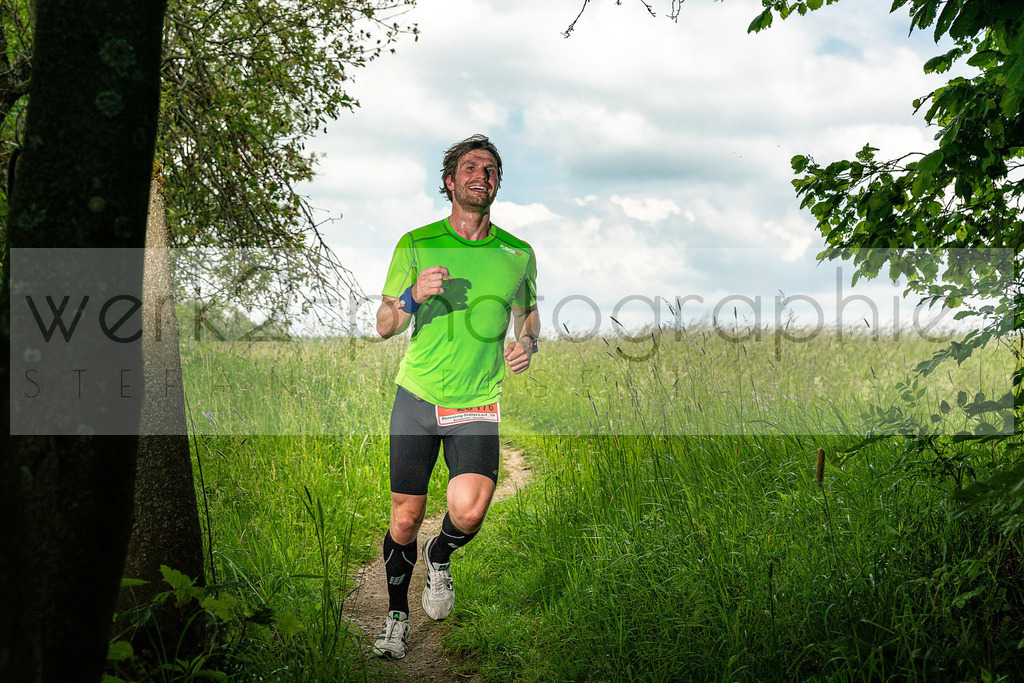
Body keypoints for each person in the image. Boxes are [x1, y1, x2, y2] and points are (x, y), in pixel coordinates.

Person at [371, 134, 540, 659]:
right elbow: (383, 325)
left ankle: (438, 554)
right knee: (403, 517)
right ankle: (396, 617)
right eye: (470, 167)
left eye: (490, 169)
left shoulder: (518, 253)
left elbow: (528, 314)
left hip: (476, 402)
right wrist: (411, 296)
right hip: (419, 398)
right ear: (449, 181)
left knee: (467, 513)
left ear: (497, 184)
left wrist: (528, 341)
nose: (480, 176)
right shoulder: (417, 242)